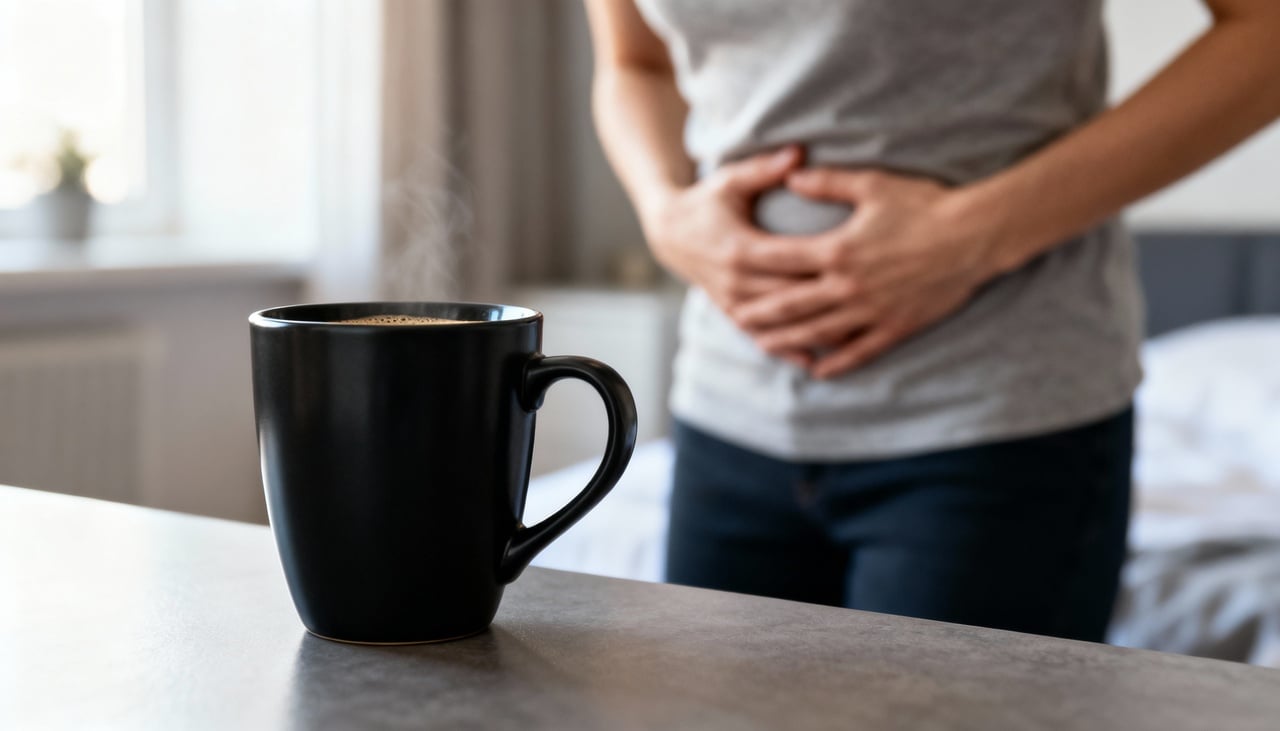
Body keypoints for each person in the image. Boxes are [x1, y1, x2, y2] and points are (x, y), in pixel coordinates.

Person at [583, 0, 1280, 641]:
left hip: (998, 420)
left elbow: (1266, 32)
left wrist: (969, 239)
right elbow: (633, 64)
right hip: (727, 415)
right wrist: (663, 211)